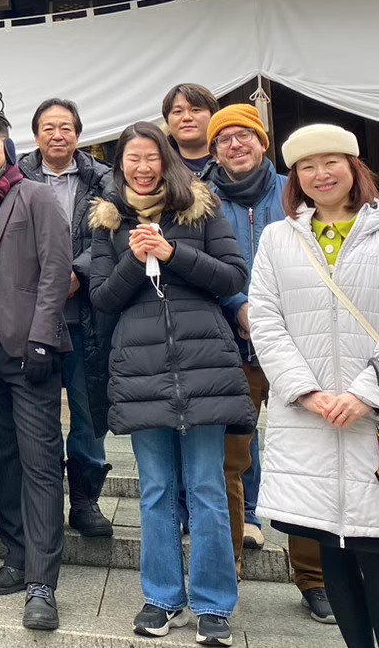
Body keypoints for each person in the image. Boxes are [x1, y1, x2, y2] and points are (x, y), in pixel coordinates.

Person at [250, 125, 379, 648]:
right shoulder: (278, 238)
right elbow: (266, 322)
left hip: (377, 419)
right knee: (331, 553)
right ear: (295, 178)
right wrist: (305, 391)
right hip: (309, 419)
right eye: (307, 167)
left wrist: (364, 394)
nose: (321, 175)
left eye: (331, 162)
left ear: (354, 167)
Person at [88, 122, 252, 646]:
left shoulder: (201, 208)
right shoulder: (108, 222)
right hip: (140, 370)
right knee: (156, 490)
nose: (142, 167)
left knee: (206, 488)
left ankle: (213, 604)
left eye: (151, 157)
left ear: (167, 160)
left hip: (203, 364)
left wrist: (173, 252)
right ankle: (161, 597)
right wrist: (137, 261)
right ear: (120, 166)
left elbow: (232, 277)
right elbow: (102, 299)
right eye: (131, 158)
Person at [206, 106, 333, 624]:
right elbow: (198, 261)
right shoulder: (200, 198)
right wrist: (238, 305)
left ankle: (314, 579)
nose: (235, 145)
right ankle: (226, 565)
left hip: (299, 349)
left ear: (263, 142)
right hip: (230, 350)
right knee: (229, 463)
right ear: (213, 151)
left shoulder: (296, 193)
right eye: (225, 140)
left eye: (244, 137)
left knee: (302, 461)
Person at [0, 113, 73, 631]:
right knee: (3, 459)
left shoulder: (35, 197)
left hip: (31, 350)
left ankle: (42, 582)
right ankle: (16, 555)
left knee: (40, 462)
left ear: (6, 146)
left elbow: (56, 269)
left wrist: (45, 337)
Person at [18, 96, 115, 538]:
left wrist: (77, 271)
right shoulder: (19, 174)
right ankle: (42, 501)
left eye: (66, 128)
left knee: (89, 413)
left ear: (79, 133)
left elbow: (116, 235)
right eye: (48, 128)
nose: (57, 135)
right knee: (37, 416)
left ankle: (85, 499)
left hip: (85, 316)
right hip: (33, 317)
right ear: (36, 134)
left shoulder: (103, 179)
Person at [162, 84, 221, 180]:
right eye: (178, 111)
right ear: (167, 120)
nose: (186, 118)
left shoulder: (232, 160)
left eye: (195, 110)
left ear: (213, 115)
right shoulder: (159, 167)